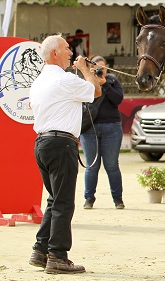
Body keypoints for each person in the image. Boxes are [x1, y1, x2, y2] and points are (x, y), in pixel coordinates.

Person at [29, 35, 101, 274]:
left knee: (54, 199)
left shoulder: (40, 81)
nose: (71, 52)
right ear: (54, 54)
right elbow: (96, 90)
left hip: (43, 142)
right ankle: (58, 256)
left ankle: (41, 250)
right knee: (63, 203)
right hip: (60, 144)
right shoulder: (64, 79)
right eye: (67, 48)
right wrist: (85, 69)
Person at [80, 56, 125, 210]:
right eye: (96, 68)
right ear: (90, 68)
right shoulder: (84, 81)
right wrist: (91, 79)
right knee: (92, 165)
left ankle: (118, 199)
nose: (100, 71)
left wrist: (105, 84)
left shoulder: (112, 81)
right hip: (89, 128)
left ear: (107, 69)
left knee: (111, 165)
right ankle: (89, 198)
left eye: (102, 68)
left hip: (111, 127)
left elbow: (118, 99)